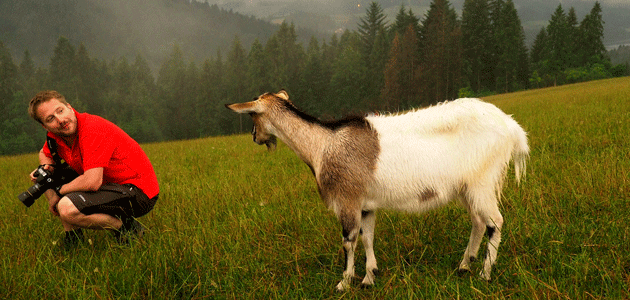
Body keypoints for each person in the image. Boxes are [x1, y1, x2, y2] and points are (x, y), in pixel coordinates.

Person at [28, 90, 159, 248]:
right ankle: (73, 237)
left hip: (139, 192)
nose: (60, 120)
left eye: (60, 111)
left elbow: (92, 182)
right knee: (46, 174)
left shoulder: (92, 129)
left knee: (66, 207)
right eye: (51, 118)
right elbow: (44, 153)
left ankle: (125, 227)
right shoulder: (56, 136)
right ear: (45, 126)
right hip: (110, 185)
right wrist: (46, 170)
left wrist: (58, 192)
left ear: (69, 107)